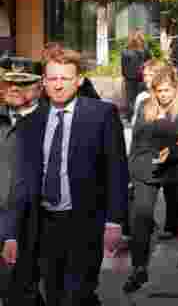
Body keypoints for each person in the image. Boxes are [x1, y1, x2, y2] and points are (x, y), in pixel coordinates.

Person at [14, 49, 129, 305]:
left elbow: (117, 170)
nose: (58, 85)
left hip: (84, 222)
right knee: (53, 292)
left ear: (78, 80)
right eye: (52, 78)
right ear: (43, 81)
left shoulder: (101, 114)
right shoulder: (32, 121)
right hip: (44, 223)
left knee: (77, 293)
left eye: (65, 78)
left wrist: (115, 221)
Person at [124, 67, 178, 293]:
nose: (163, 95)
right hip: (146, 167)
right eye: (158, 91)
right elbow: (138, 140)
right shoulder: (146, 105)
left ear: (176, 88)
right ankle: (138, 267)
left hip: (177, 168)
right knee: (141, 216)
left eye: (167, 90)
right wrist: (131, 171)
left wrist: (175, 150)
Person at [0, 68, 46, 306]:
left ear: (39, 87)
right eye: (9, 82)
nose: (14, 88)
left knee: (22, 284)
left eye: (23, 83)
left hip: (33, 218)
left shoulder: (50, 121)